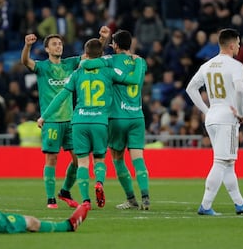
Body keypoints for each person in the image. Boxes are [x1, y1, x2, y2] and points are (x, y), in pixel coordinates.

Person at [38, 38, 144, 208]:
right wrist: (138, 63)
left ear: (85, 54)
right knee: (99, 159)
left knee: (82, 162)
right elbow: (132, 81)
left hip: (79, 121)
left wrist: (44, 116)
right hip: (100, 122)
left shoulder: (77, 73)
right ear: (102, 54)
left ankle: (86, 200)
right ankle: (99, 183)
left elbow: (61, 97)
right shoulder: (108, 72)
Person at [21, 26, 110, 209]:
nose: (58, 46)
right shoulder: (42, 67)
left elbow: (92, 54)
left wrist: (102, 40)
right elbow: (25, 61)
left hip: (71, 121)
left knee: (78, 160)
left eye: (60, 43)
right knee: (51, 159)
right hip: (52, 120)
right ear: (47, 49)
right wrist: (27, 46)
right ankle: (50, 199)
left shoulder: (70, 64)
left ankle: (65, 191)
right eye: (54, 44)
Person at [186, 28, 243, 215]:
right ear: (232, 45)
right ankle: (206, 205)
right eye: (239, 44)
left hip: (212, 117)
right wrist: (241, 113)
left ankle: (239, 203)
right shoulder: (236, 66)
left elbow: (190, 89)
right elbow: (241, 91)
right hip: (228, 118)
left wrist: (206, 110)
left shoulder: (208, 65)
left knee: (228, 163)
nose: (240, 47)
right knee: (221, 161)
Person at [82, 30, 150, 210]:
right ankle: (145, 196)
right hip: (137, 116)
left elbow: (86, 63)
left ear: (116, 45)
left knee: (118, 159)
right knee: (138, 157)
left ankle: (131, 199)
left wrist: (103, 45)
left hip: (117, 117)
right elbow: (137, 74)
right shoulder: (141, 61)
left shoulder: (110, 60)